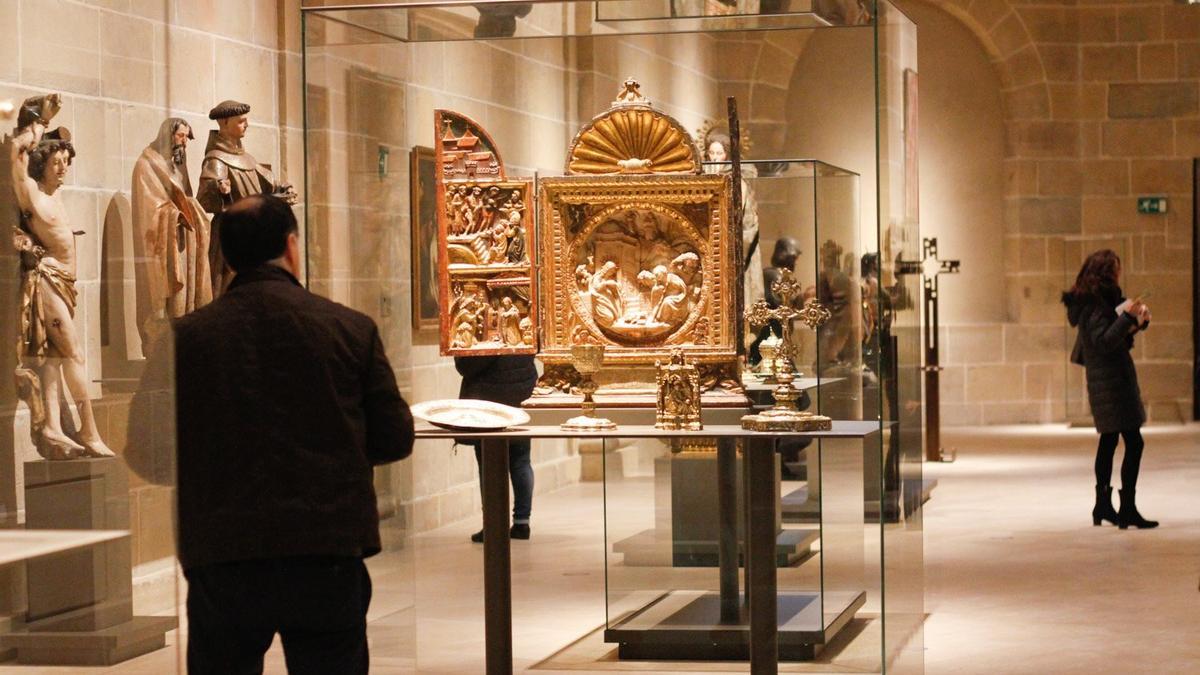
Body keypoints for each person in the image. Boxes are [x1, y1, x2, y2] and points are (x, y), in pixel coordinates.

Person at [127, 194, 415, 673]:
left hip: (223, 551)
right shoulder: (349, 328)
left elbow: (146, 450)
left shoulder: (184, 339)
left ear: (225, 256)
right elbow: (394, 438)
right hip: (324, 549)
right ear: (291, 246)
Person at [1062, 249, 1156, 530]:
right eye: (1116, 269)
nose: (1119, 274)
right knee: (1133, 442)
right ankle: (1126, 509)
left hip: (1111, 379)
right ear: (1106, 273)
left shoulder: (1102, 300)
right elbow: (1103, 342)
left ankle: (1104, 506)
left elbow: (1115, 337)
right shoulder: (1094, 304)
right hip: (1110, 382)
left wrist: (1138, 323)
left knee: (1110, 440)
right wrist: (1127, 317)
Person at [454, 354, 538, 542]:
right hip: (521, 390)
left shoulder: (486, 337)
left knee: (488, 463)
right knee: (521, 460)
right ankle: (522, 522)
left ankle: (493, 525)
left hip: (487, 399)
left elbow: (467, 366)